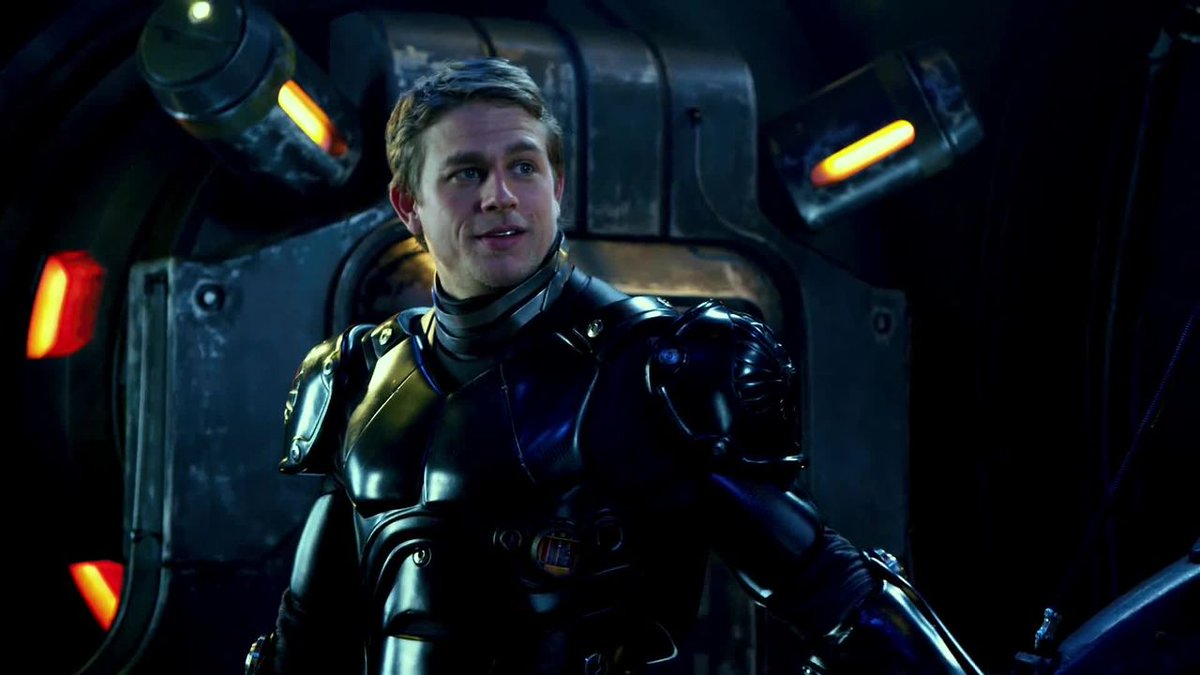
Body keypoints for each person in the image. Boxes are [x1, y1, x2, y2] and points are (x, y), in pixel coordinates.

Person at [245, 57, 982, 675]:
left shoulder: (648, 366)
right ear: (409, 205)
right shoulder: (360, 372)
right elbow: (309, 631)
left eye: (523, 166)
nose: (500, 196)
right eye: (466, 173)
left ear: (556, 187)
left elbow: (829, 587)